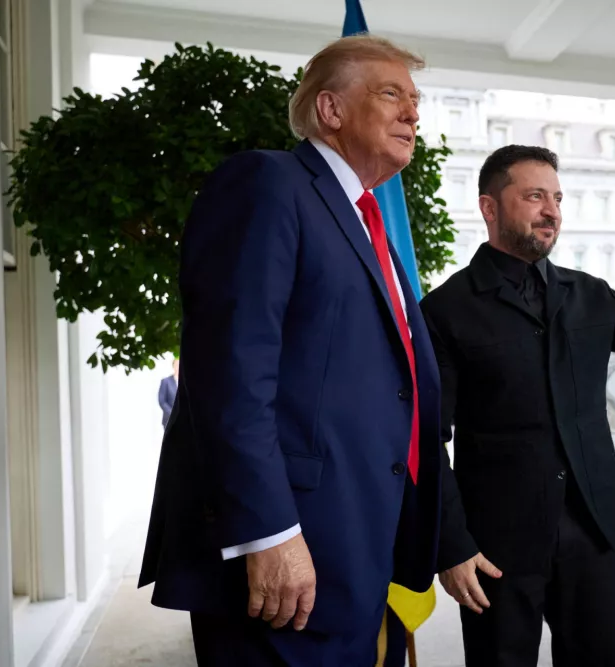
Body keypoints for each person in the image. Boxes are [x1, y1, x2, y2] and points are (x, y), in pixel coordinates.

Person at [138, 35, 442, 667]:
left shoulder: (367, 220)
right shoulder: (267, 183)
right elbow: (230, 372)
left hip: (356, 544)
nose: (414, 113)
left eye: (415, 99)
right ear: (330, 110)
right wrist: (267, 531)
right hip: (283, 553)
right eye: (392, 94)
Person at [419, 145, 615, 666]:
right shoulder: (445, 310)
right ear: (489, 207)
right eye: (535, 196)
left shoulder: (588, 294)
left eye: (558, 198)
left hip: (590, 529)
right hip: (496, 546)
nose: (552, 211)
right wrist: (451, 546)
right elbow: (428, 439)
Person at [157, 357, 179, 429]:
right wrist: (173, 414)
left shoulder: (187, 383)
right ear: (173, 366)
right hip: (169, 420)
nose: (178, 367)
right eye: (176, 365)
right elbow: (162, 401)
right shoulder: (166, 381)